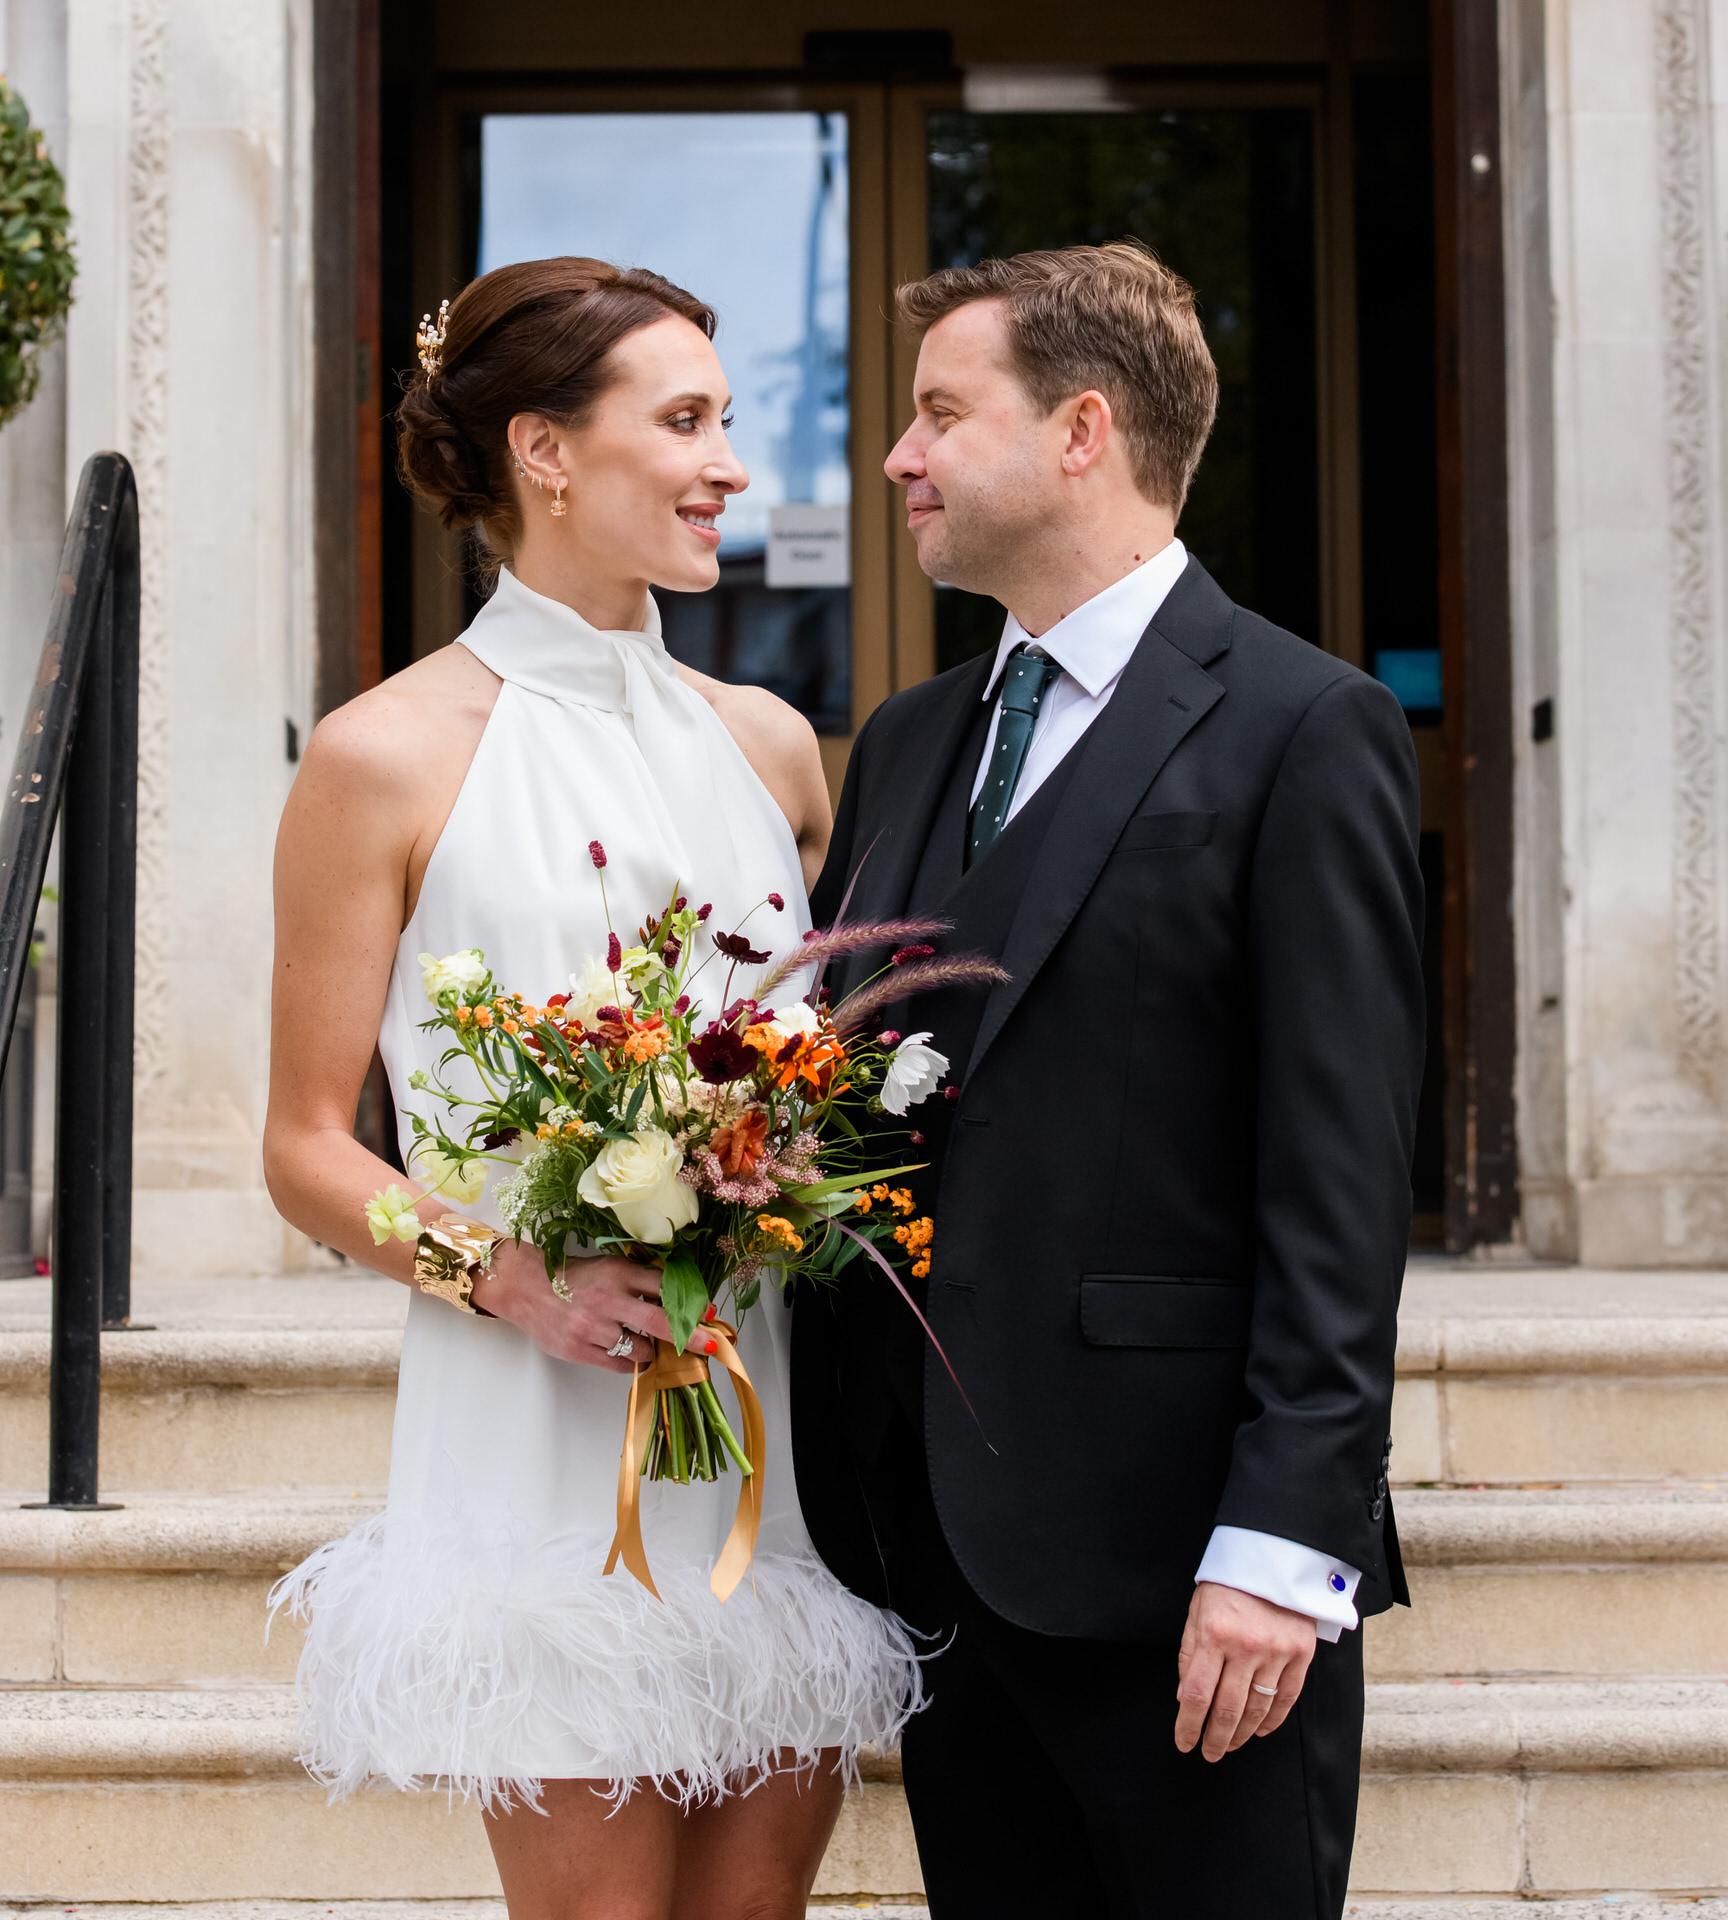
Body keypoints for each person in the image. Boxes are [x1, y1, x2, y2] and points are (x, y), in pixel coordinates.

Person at [264, 257, 916, 1920]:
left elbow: (798, 1052)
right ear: (546, 453)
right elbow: (301, 1148)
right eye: (685, 421)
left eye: (726, 419)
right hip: (537, 1427)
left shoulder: (771, 743)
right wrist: (506, 1270)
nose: (731, 466)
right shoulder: (384, 756)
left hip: (765, 1412)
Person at [790, 241, 1425, 1920]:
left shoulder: (1306, 725)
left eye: (938, 412)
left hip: (1185, 1572)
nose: (896, 457)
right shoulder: (915, 737)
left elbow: (1340, 1183)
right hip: (932, 1553)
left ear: (1083, 431)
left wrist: (1287, 1550)